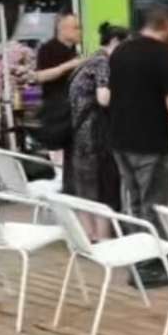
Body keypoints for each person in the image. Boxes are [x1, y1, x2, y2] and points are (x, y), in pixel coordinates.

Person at [109, 2, 168, 286]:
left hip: (121, 141)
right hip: (151, 142)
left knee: (135, 203)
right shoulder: (163, 55)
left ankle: (139, 260)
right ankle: (150, 267)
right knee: (154, 206)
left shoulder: (121, 51)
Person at [63, 22, 126, 238]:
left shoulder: (88, 61)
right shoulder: (103, 63)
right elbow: (104, 98)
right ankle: (103, 238)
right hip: (93, 135)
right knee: (103, 188)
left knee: (85, 190)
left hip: (77, 134)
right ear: (115, 42)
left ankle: (88, 237)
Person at [32, 12, 82, 164]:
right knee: (59, 158)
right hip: (56, 112)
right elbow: (40, 76)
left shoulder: (74, 51)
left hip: (72, 111)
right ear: (63, 29)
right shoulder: (48, 49)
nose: (80, 32)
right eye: (76, 28)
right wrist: (68, 66)